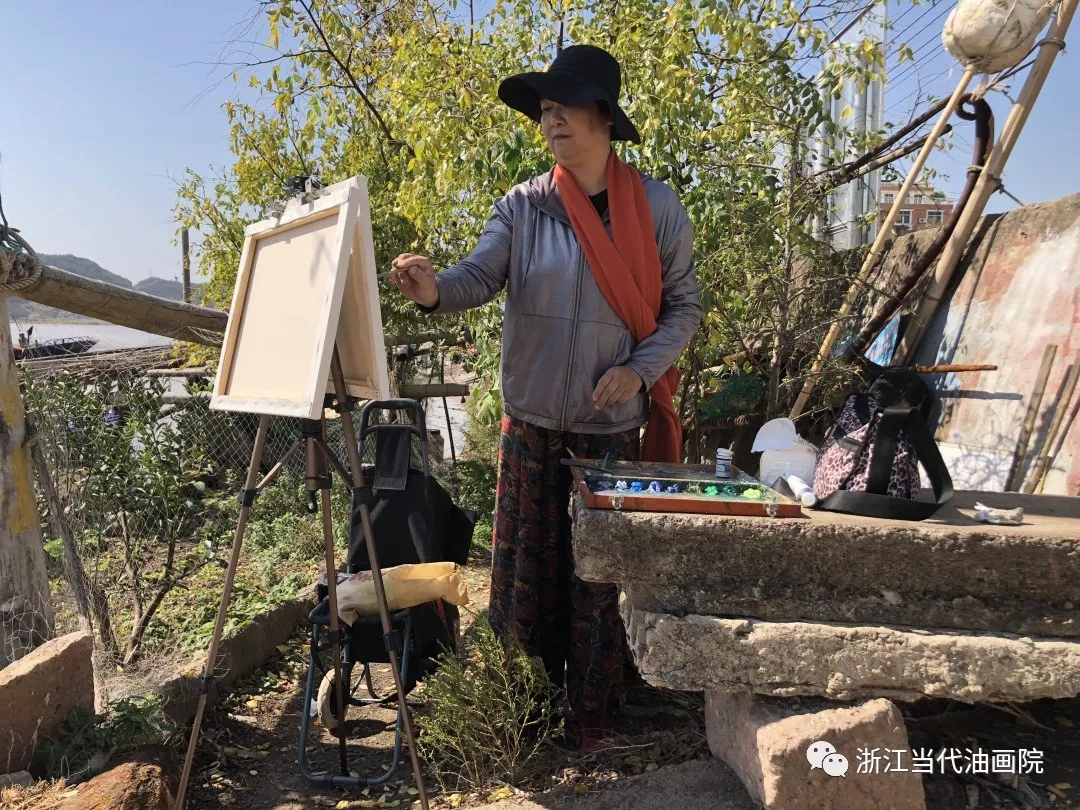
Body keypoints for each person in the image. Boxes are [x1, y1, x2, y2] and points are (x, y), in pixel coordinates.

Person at [389, 44, 701, 751]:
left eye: (565, 107)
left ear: (602, 116)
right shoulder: (524, 207)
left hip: (608, 425)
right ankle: (520, 712)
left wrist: (641, 370)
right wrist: (435, 291)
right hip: (530, 425)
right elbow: (477, 276)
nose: (551, 119)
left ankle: (593, 717)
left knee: (595, 584)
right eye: (545, 110)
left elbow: (684, 307)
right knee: (523, 580)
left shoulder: (655, 208)